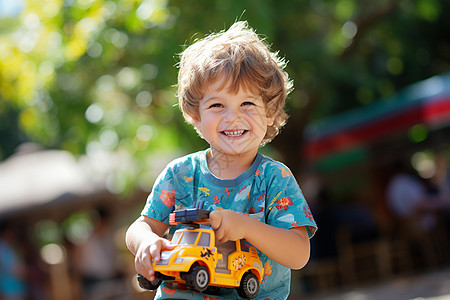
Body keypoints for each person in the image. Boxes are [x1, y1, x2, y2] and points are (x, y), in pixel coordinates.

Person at [126, 21, 317, 299]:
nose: (232, 117)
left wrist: (245, 226)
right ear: (195, 116)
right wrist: (146, 242)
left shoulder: (275, 179)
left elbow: (298, 254)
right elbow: (142, 225)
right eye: (217, 105)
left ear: (270, 114)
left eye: (247, 104)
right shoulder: (179, 174)